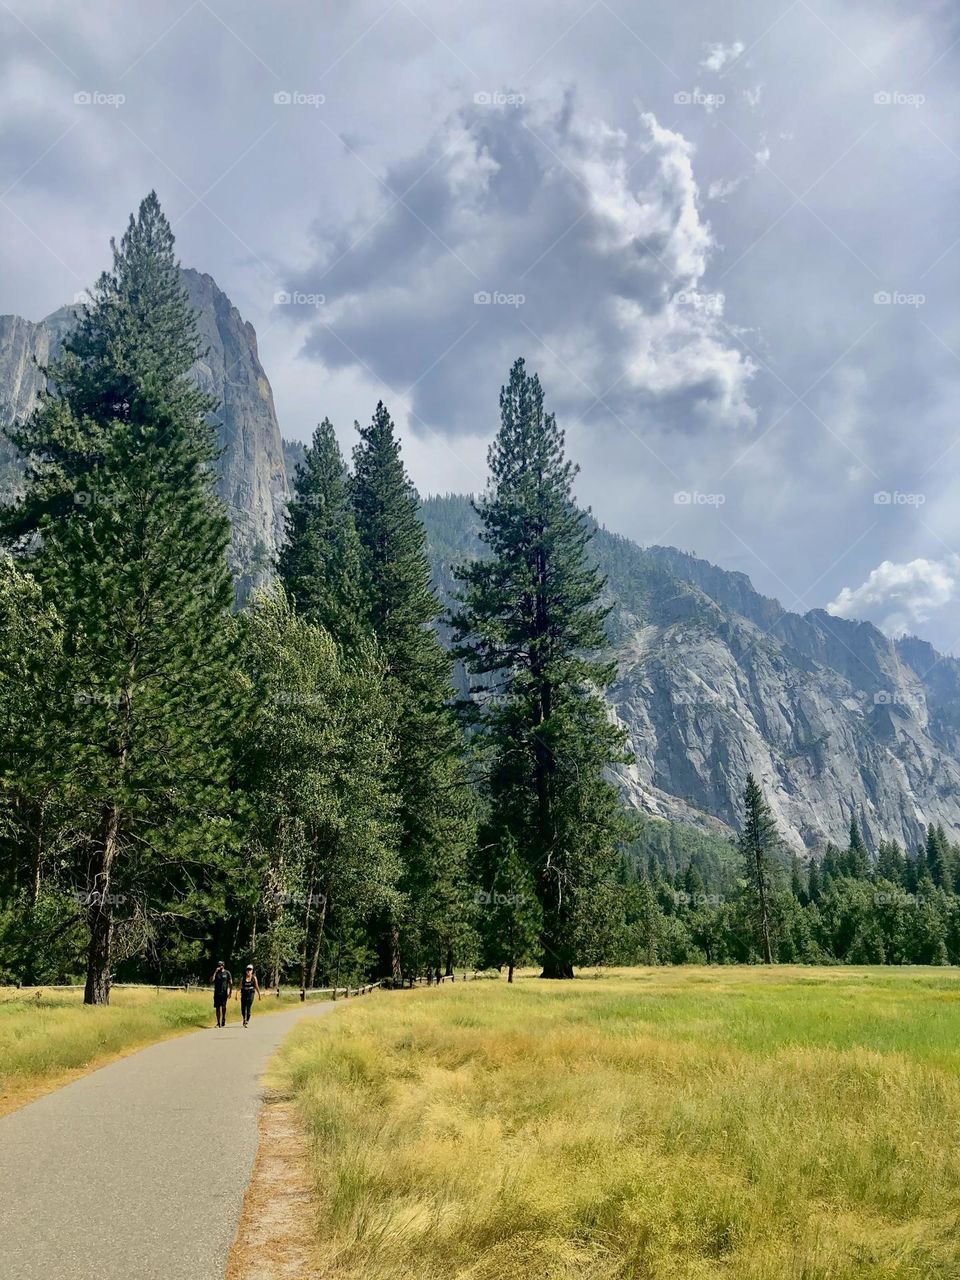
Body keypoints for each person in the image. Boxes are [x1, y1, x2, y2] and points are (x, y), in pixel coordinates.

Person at [210, 960, 232, 1027]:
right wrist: (215, 972)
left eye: (221, 965)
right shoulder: (216, 973)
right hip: (217, 993)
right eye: (219, 965)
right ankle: (218, 1022)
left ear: (223, 965)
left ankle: (223, 1018)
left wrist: (230, 992)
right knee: (217, 1008)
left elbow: (231, 983)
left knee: (223, 1006)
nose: (220, 967)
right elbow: (211, 980)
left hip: (224, 993)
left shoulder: (227, 973)